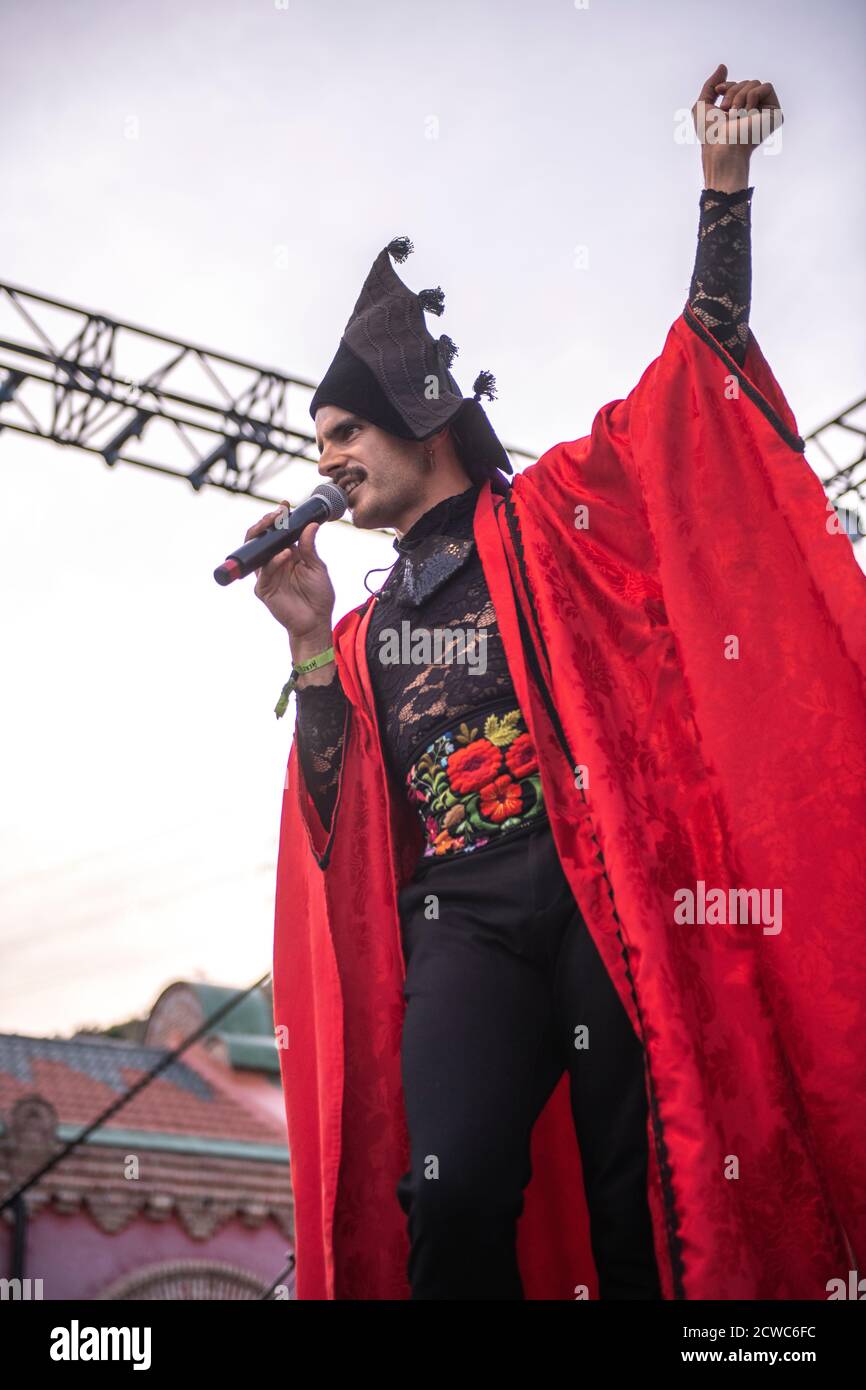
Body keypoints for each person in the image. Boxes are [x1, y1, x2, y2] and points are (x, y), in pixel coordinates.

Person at [256, 67, 866, 1300]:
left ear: (418, 423)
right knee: (452, 1186)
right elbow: (342, 813)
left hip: (597, 889)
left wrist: (721, 183)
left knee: (639, 1187)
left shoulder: (549, 517)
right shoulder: (365, 625)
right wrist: (309, 639)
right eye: (317, 444)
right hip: (460, 919)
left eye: (340, 436)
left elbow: (691, 384)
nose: (323, 463)